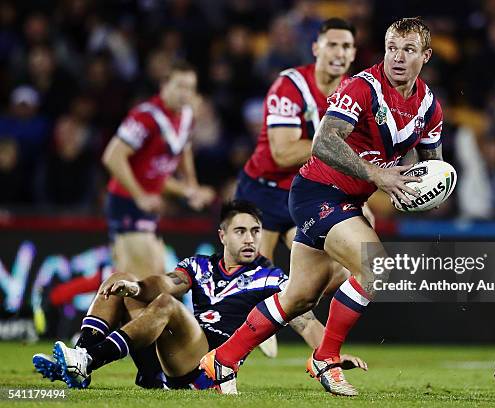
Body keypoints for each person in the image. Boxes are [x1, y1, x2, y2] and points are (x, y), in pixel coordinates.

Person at [200, 17, 444, 396]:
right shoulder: (363, 87)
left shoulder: (429, 106)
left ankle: (221, 360)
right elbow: (323, 142)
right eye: (392, 48)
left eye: (408, 50)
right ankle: (325, 358)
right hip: (318, 192)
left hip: (345, 199)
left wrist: (420, 192)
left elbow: (431, 169)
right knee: (376, 265)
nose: (397, 57)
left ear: (425, 56)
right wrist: (379, 176)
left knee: (299, 297)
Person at [32, 200, 367, 390]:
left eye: (255, 232)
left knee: (167, 307)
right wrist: (135, 289)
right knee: (119, 279)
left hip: (206, 367)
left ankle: (87, 360)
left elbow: (305, 322)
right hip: (173, 356)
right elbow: (166, 282)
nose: (250, 239)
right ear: (223, 235)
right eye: (240, 231)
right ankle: (80, 360)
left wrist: (331, 354)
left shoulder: (271, 277)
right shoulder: (199, 264)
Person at [236, 17, 365, 359]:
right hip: (261, 192)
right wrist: (333, 142)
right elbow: (281, 152)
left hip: (306, 192)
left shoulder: (356, 91)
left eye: (347, 46)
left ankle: (322, 355)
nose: (339, 52)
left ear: (353, 53)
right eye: (333, 44)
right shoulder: (290, 85)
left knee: (333, 267)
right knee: (249, 276)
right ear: (316, 48)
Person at [101, 59, 214, 388]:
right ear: (163, 87)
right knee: (144, 289)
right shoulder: (146, 116)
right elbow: (113, 156)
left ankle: (138, 368)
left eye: (190, 88)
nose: (184, 94)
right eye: (178, 86)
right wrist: (138, 195)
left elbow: (178, 155)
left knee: (143, 288)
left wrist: (189, 188)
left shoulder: (187, 118)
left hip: (146, 209)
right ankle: (148, 371)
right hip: (125, 204)